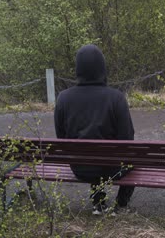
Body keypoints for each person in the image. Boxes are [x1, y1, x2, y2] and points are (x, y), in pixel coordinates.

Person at [54, 44, 135, 215]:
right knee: (133, 158)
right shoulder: (116, 98)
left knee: (90, 150)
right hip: (113, 170)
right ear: (102, 68)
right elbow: (127, 139)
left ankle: (99, 202)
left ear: (78, 69)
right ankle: (121, 203)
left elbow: (61, 137)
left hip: (80, 169)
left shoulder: (63, 98)